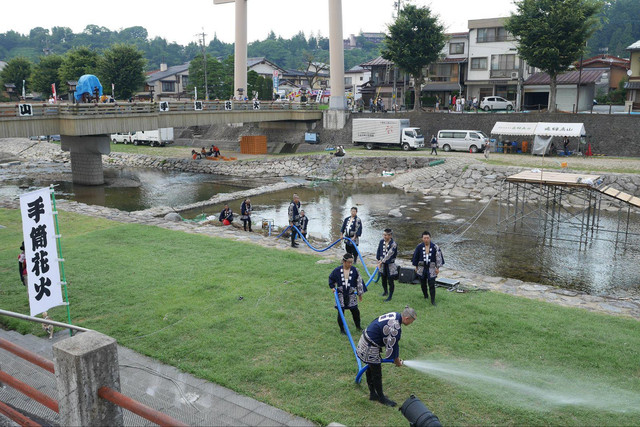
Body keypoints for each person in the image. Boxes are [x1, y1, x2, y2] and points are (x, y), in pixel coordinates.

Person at [356, 306, 417, 406]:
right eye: (412, 321)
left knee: (371, 368)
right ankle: (381, 398)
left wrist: (395, 358)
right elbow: (393, 346)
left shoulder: (396, 315)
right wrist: (396, 361)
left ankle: (373, 394)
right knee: (376, 373)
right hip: (369, 346)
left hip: (366, 338)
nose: (411, 323)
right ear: (407, 318)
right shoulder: (395, 327)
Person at [329, 253, 364, 334]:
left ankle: (358, 326)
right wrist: (332, 287)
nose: (350, 264)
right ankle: (342, 329)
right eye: (349, 262)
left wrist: (360, 294)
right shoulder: (337, 270)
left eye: (352, 262)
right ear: (344, 262)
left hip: (351, 294)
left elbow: (359, 282)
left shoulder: (355, 270)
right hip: (340, 295)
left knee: (355, 311)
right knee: (341, 312)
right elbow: (331, 278)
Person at [412, 231, 444, 306]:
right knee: (423, 284)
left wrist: (437, 268)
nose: (426, 239)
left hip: (431, 268)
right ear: (422, 239)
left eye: (427, 238)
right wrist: (416, 267)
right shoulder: (419, 247)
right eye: (424, 238)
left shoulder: (435, 247)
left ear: (430, 238)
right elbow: (415, 257)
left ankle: (433, 300)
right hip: (421, 268)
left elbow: (438, 258)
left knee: (432, 284)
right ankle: (425, 296)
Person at [376, 229, 398, 302]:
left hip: (390, 265)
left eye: (385, 235)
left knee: (390, 281)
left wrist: (381, 262)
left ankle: (390, 296)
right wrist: (378, 259)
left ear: (390, 235)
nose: (384, 236)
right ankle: (385, 292)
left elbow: (389, 254)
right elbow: (379, 250)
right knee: (383, 279)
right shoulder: (381, 241)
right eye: (384, 235)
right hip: (382, 264)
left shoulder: (393, 244)